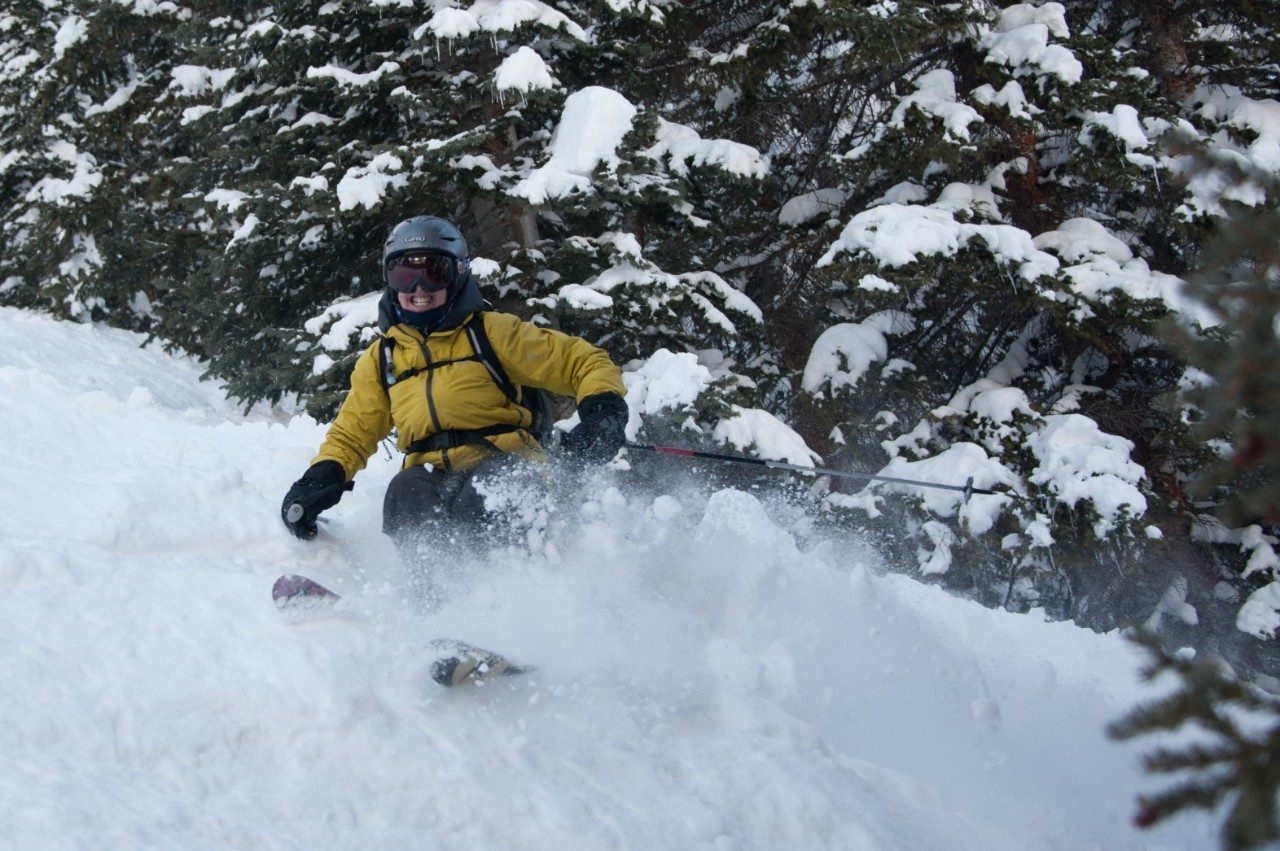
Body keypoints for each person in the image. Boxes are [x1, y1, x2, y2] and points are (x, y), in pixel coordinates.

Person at [281, 215, 628, 557]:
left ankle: (513, 591)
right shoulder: (382, 358)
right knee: (406, 491)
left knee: (480, 497)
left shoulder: (490, 333)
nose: (419, 290)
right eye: (404, 276)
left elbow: (582, 361)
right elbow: (353, 433)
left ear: (457, 274)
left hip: (503, 459)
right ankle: (429, 602)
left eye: (434, 274)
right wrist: (321, 477)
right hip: (429, 474)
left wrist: (603, 411)